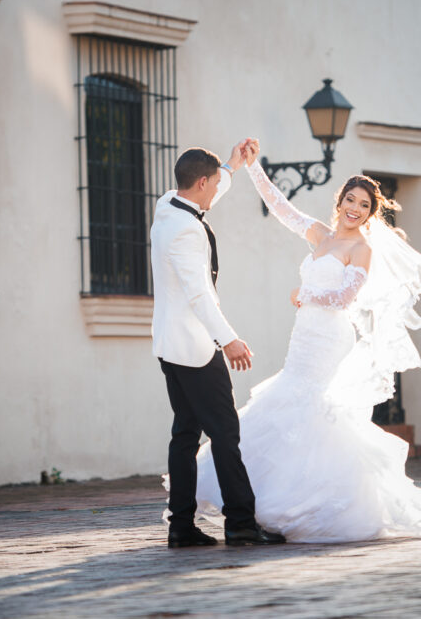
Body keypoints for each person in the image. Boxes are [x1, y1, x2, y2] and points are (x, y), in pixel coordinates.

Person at [190, 139, 421, 543]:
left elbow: (346, 298)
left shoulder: (360, 249)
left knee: (306, 406)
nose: (355, 209)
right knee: (289, 405)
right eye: (351, 200)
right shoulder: (321, 235)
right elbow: (281, 208)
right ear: (340, 201)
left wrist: (304, 295)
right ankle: (269, 502)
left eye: (364, 205)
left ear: (370, 213)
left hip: (330, 336)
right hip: (304, 336)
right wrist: (253, 167)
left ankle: (292, 505)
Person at [150, 140, 286, 548]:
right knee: (225, 433)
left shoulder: (167, 204)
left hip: (169, 344)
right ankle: (242, 523)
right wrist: (229, 340)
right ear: (201, 182)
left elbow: (213, 187)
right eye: (212, 186)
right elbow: (199, 295)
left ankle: (182, 526)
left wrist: (233, 164)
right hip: (195, 348)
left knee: (185, 434)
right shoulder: (187, 231)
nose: (214, 194)